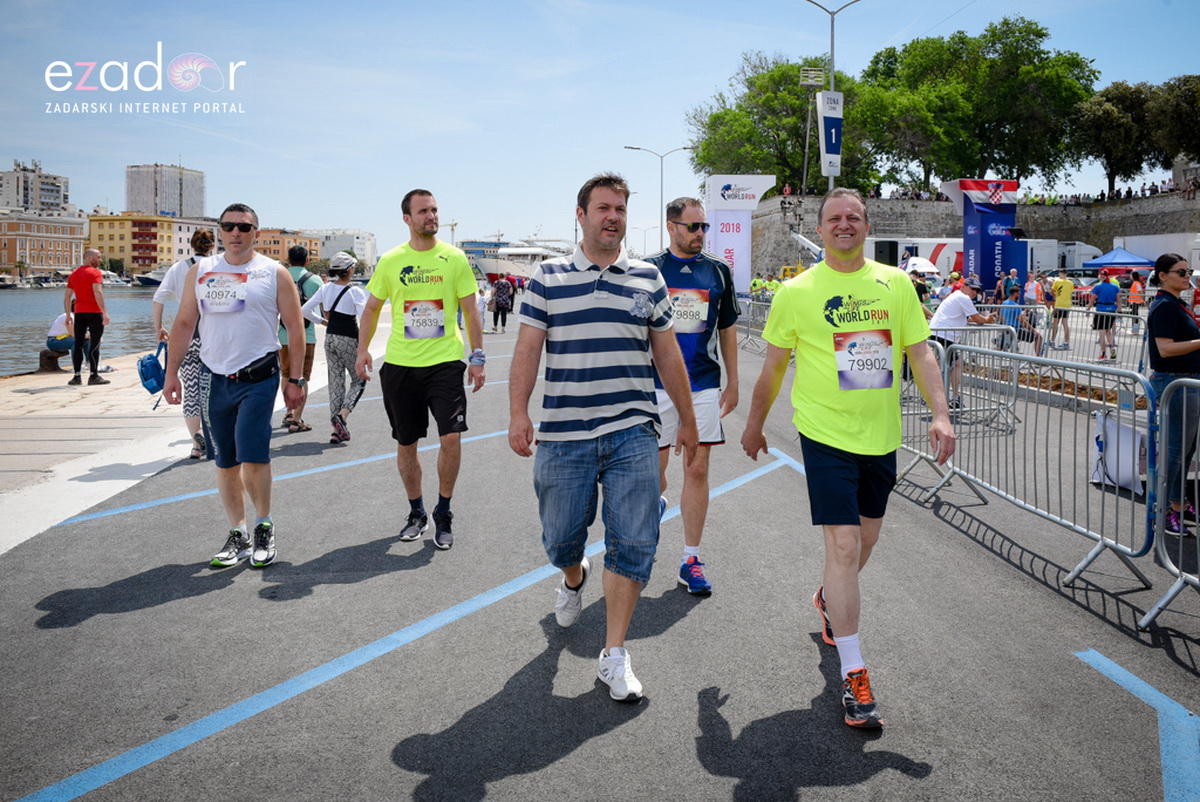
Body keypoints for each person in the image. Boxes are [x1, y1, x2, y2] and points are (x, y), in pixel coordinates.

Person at [740, 187, 954, 729]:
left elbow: (919, 351)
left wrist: (941, 414)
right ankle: (855, 673)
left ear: (865, 225)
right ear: (820, 226)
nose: (843, 225)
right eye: (833, 217)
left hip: (880, 438)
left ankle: (828, 599)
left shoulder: (895, 283)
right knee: (843, 541)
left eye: (853, 217)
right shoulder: (797, 292)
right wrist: (754, 423)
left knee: (867, 539)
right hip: (824, 434)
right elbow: (771, 369)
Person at [508, 173, 698, 702]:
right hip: (564, 435)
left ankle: (614, 655)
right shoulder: (547, 278)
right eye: (603, 208)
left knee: (635, 540)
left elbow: (666, 353)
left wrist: (687, 417)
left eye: (620, 208)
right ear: (581, 214)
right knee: (560, 538)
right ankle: (574, 576)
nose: (612, 216)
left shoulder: (647, 279)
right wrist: (517, 414)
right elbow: (527, 352)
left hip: (632, 431)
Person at [163, 202, 307, 568]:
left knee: (254, 454)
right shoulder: (203, 269)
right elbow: (182, 324)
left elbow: (294, 327)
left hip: (259, 375)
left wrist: (296, 379)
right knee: (225, 461)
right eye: (228, 227)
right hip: (214, 377)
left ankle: (263, 525)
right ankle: (237, 533)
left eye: (244, 227)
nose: (236, 233)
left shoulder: (273, 273)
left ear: (256, 232)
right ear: (219, 233)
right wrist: (171, 373)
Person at [356, 189, 484, 551]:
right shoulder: (391, 261)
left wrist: (478, 357)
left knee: (452, 438)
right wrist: (362, 350)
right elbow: (371, 309)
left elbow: (471, 310)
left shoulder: (454, 258)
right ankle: (417, 512)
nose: (431, 215)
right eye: (423, 211)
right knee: (406, 444)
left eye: (435, 209)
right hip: (400, 366)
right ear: (407, 219)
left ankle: (444, 511)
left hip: (444, 363)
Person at [645, 197, 739, 596]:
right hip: (653, 385)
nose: (700, 234)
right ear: (671, 227)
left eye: (704, 227)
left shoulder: (718, 271)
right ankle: (650, 518)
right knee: (653, 474)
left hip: (702, 382)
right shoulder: (648, 270)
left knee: (698, 469)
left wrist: (733, 382)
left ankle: (690, 559)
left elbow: (728, 328)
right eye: (692, 227)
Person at [1147, 253, 1200, 536]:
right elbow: (1165, 349)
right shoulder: (1165, 306)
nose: (1186, 275)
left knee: (1185, 450)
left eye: (1188, 270)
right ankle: (1165, 510)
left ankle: (1178, 504)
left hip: (1186, 383)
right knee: (1176, 451)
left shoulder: (1175, 303)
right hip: (1177, 383)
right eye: (1181, 272)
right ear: (1163, 275)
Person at [153, 228, 216, 458]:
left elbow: (158, 297)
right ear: (212, 246)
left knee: (190, 390)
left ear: (191, 245)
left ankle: (196, 444)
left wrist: (158, 327)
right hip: (212, 334)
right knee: (214, 388)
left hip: (187, 335)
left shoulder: (179, 267)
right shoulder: (217, 265)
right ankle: (213, 436)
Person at [301, 252, 368, 444]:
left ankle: (335, 431)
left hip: (329, 338)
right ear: (348, 271)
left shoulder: (326, 288)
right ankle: (343, 416)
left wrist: (322, 321)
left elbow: (305, 310)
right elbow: (364, 319)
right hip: (348, 338)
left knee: (336, 381)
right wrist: (365, 345)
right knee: (359, 379)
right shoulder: (355, 291)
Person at [929, 275, 996, 407]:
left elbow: (967, 318)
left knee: (947, 366)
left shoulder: (956, 296)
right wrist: (987, 319)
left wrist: (984, 318)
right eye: (972, 289)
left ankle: (943, 396)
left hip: (940, 333)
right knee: (954, 365)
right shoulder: (962, 297)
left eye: (977, 290)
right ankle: (951, 397)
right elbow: (977, 319)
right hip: (944, 335)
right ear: (964, 286)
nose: (974, 293)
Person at [279, 245, 323, 434]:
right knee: (302, 376)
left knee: (286, 374)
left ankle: (288, 411)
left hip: (282, 334)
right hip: (307, 336)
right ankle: (297, 419)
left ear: (288, 260)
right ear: (307, 261)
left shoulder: (279, 277)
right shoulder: (315, 280)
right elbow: (323, 307)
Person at [64, 249, 109, 386]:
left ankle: (76, 376)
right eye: (98, 257)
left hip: (79, 313)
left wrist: (67, 314)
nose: (100, 260)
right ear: (90, 258)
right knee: (95, 344)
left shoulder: (74, 274)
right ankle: (93, 376)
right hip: (94, 312)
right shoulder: (95, 273)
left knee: (78, 344)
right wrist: (105, 312)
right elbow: (98, 292)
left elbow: (67, 297)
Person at [1001, 285, 1045, 354]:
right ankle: (1038, 359)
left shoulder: (1004, 303)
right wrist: (1034, 331)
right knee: (1038, 337)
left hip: (1007, 329)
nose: (1019, 295)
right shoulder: (1016, 306)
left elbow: (1003, 317)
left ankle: (1012, 347)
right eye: (1019, 294)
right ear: (1015, 294)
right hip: (1016, 330)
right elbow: (1023, 322)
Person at [1089, 274, 1120, 360]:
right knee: (1108, 331)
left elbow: (1092, 299)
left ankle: (1103, 353)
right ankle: (1112, 349)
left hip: (1101, 310)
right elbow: (1118, 300)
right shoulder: (1115, 286)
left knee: (1102, 333)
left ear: (1101, 277)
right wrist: (1120, 311)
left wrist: (1088, 309)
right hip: (1112, 310)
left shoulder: (1098, 286)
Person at [1049, 268, 1075, 350]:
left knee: (1055, 323)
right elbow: (1071, 292)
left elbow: (1051, 291)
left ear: (1061, 274)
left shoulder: (1057, 282)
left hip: (1059, 304)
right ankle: (1066, 342)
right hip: (1067, 305)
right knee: (1065, 323)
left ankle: (1052, 340)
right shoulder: (1070, 283)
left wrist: (1056, 295)